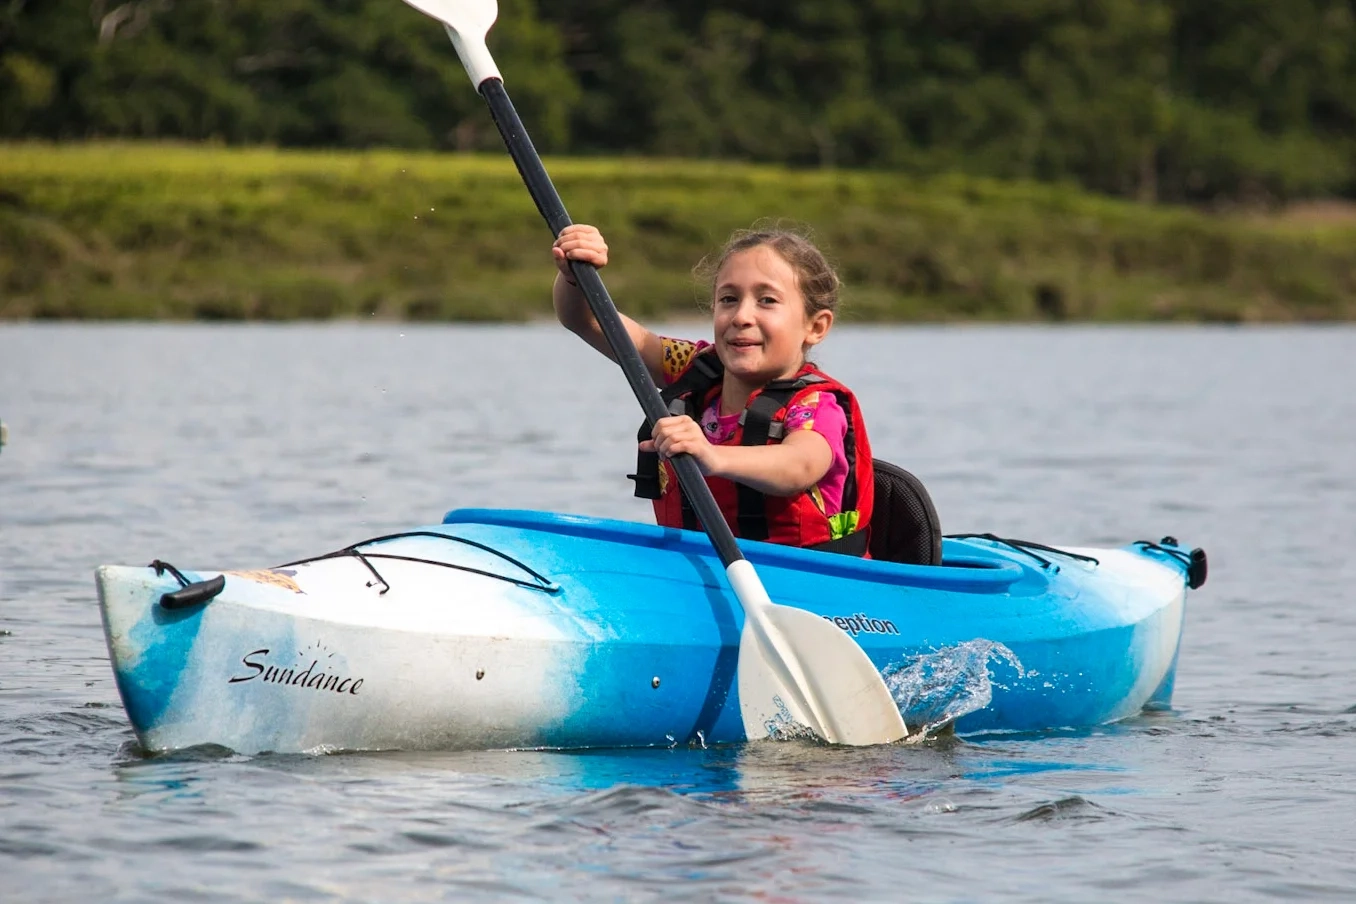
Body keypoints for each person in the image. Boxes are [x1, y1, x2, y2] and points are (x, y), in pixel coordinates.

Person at [552, 224, 875, 555]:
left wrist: (712, 455)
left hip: (807, 584)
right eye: (729, 299)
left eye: (767, 300)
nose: (742, 316)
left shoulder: (817, 404)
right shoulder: (691, 366)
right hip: (699, 570)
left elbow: (800, 465)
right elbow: (587, 320)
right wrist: (575, 274)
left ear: (815, 326)